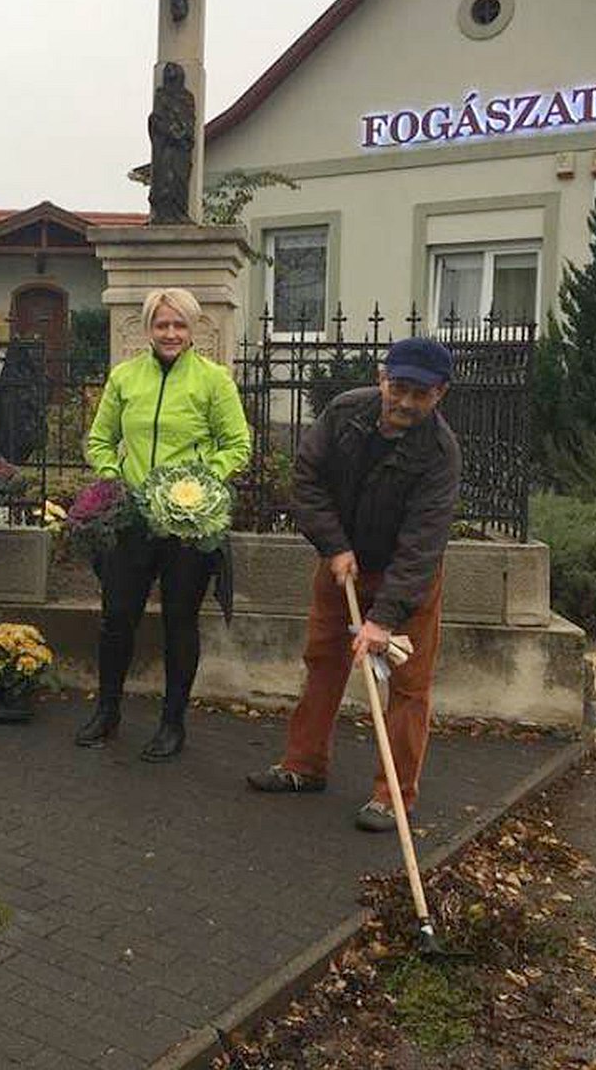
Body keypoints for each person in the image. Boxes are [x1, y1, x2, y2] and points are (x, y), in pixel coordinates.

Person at [246, 337, 460, 831]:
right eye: (399, 387)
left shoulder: (440, 454)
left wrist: (383, 620)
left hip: (408, 577)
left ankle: (394, 796)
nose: (406, 401)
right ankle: (304, 766)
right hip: (342, 562)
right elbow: (307, 480)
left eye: (420, 394)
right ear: (383, 378)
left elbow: (422, 544)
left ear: (440, 394)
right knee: (323, 660)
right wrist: (334, 545)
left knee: (407, 686)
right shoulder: (345, 413)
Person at [76, 288, 250, 761]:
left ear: (192, 329)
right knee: (116, 619)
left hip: (188, 522)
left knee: (179, 621)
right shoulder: (125, 377)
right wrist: (113, 480)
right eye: (162, 324)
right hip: (132, 516)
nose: (170, 333)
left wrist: (198, 482)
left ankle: (172, 723)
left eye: (179, 325)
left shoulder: (213, 380)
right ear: (149, 328)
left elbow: (237, 445)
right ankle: (107, 710)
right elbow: (100, 440)